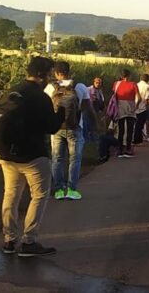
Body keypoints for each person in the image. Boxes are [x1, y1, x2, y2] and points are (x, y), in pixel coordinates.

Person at [0, 56, 64, 257]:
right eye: (48, 75)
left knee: (11, 195)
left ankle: (9, 240)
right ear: (41, 75)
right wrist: (59, 107)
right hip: (33, 156)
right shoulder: (40, 97)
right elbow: (52, 127)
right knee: (40, 195)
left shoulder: (12, 92)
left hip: (7, 155)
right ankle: (29, 241)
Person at [45, 61, 95, 201]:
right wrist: (93, 124)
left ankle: (59, 190)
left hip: (56, 128)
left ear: (56, 73)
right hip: (75, 128)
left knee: (57, 159)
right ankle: (72, 190)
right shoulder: (80, 86)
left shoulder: (50, 88)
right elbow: (87, 108)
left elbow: (45, 108)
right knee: (75, 159)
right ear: (69, 71)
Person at [113, 69, 140, 157]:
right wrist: (136, 106)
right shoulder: (133, 84)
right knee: (130, 130)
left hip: (120, 107)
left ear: (121, 76)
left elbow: (114, 95)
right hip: (130, 107)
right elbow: (139, 98)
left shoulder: (116, 84)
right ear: (129, 75)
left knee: (121, 130)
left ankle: (120, 149)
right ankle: (128, 149)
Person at [134, 73, 149, 144]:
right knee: (140, 125)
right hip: (142, 108)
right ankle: (138, 140)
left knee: (135, 124)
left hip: (134, 107)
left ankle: (137, 138)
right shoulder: (148, 86)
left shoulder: (136, 85)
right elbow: (147, 99)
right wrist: (148, 108)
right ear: (147, 79)